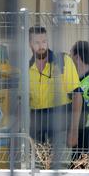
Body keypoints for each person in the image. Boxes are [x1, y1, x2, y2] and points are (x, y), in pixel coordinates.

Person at [27, 26, 82, 154]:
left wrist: (74, 131)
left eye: (44, 42)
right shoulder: (27, 68)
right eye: (37, 42)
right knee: (37, 170)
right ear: (30, 44)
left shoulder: (63, 61)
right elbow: (21, 101)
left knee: (60, 170)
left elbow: (77, 95)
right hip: (36, 130)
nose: (42, 46)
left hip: (61, 127)